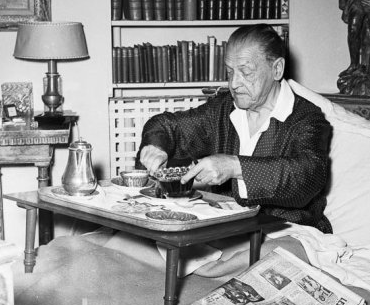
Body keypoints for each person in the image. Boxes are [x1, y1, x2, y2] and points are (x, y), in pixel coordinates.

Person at [138, 23, 332, 233]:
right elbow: (166, 126)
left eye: (245, 72)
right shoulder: (222, 109)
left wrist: (235, 167)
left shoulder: (307, 118)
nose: (234, 84)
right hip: (229, 230)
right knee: (129, 247)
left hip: (290, 232)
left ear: (277, 69)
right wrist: (155, 147)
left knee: (240, 263)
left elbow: (306, 175)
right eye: (230, 72)